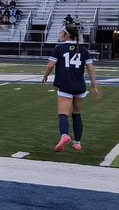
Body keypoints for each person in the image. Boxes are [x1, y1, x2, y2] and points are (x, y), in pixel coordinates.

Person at [39, 24, 101, 152]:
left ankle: (65, 135)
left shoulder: (59, 48)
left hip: (65, 85)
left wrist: (45, 76)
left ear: (66, 34)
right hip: (80, 86)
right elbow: (90, 68)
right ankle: (77, 142)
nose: (60, 34)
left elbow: (51, 64)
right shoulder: (82, 49)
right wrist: (94, 85)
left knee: (63, 113)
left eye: (62, 32)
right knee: (77, 114)